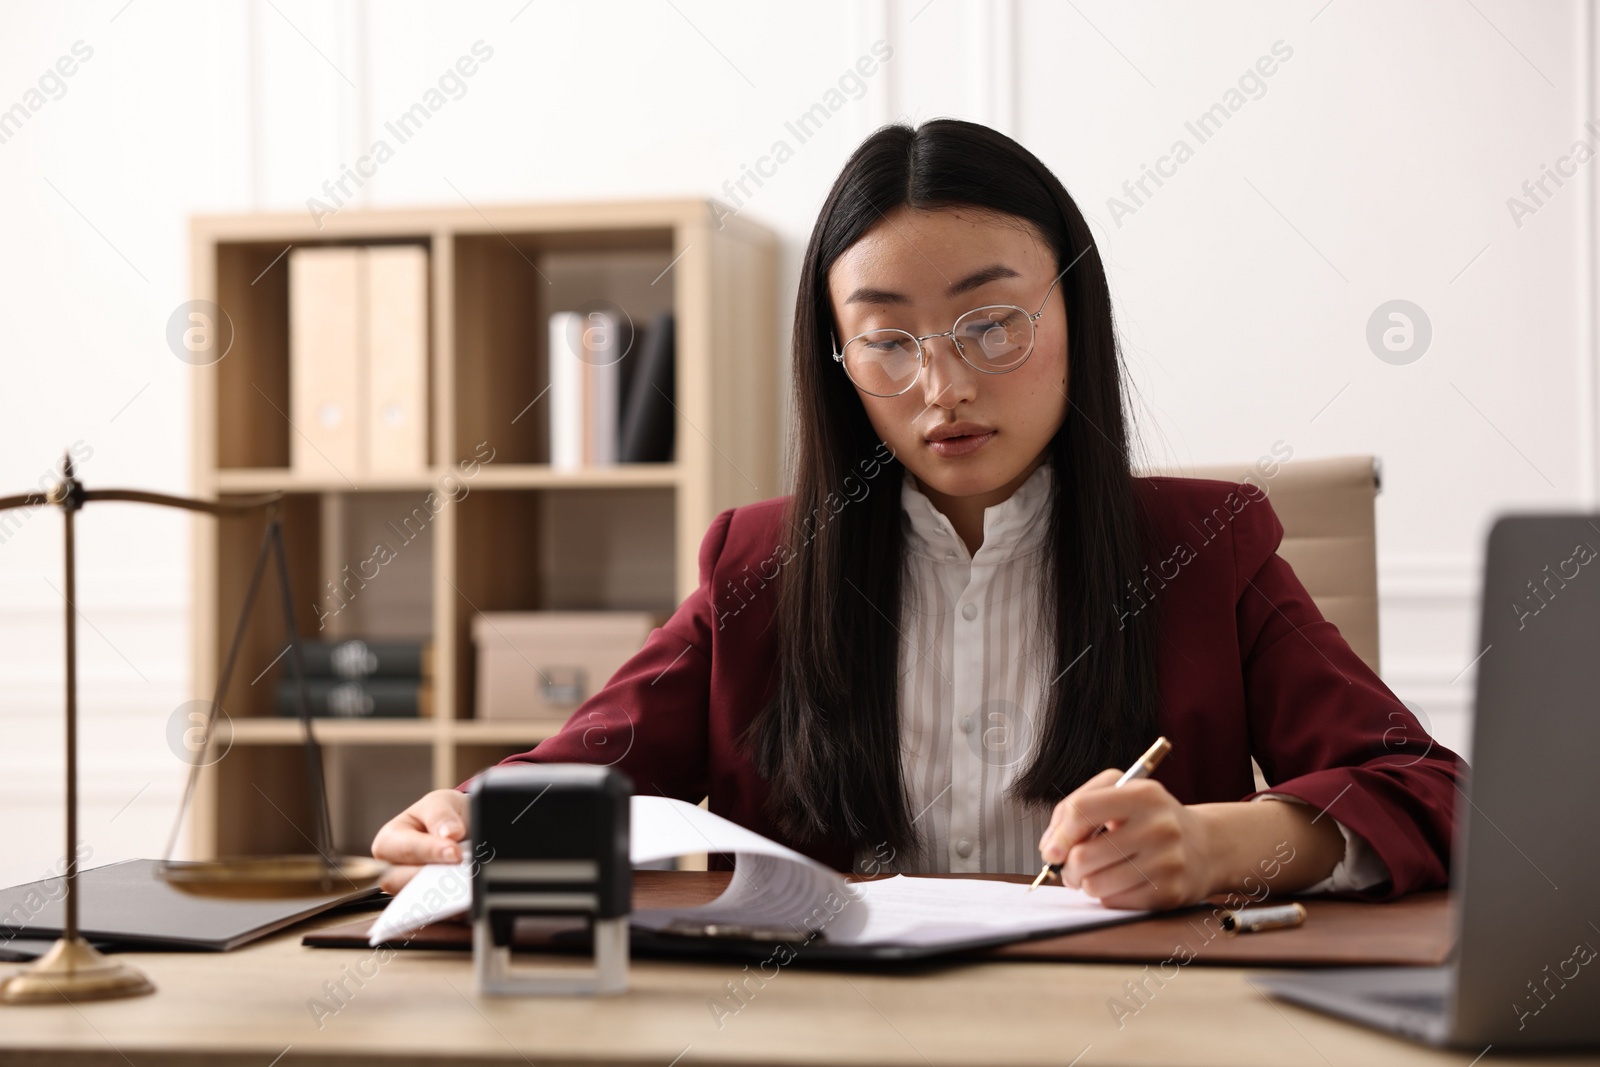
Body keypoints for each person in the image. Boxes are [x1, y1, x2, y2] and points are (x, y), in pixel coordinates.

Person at [373, 118, 1461, 908]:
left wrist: (1223, 843)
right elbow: (584, 768)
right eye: (888, 340)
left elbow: (1429, 792)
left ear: (1073, 312)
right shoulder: (758, 563)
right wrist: (465, 815)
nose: (942, 386)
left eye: (991, 324)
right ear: (837, 358)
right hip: (829, 1033)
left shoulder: (1206, 550)